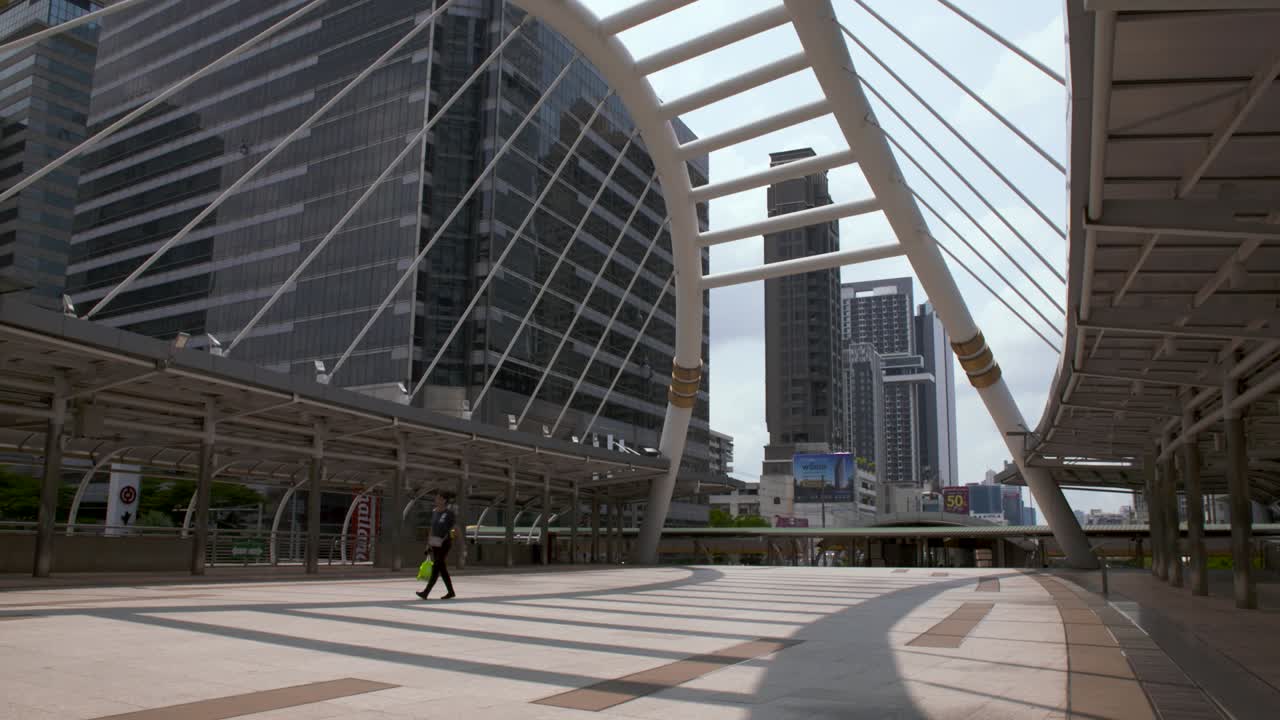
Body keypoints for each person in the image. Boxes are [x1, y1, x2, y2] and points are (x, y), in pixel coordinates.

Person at [416, 491, 457, 600]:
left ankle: (426, 592)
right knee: (442, 568)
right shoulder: (434, 512)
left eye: (438, 498)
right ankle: (451, 592)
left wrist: (450, 537)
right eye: (436, 498)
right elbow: (432, 528)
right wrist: (428, 544)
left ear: (444, 500)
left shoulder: (449, 513)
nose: (436, 500)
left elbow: (454, 528)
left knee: (436, 566)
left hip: (445, 543)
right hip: (435, 543)